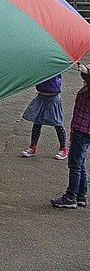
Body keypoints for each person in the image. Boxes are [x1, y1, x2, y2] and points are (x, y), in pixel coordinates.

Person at [50, 64, 90, 208]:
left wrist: (87, 71)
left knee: (75, 165)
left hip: (83, 130)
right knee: (80, 163)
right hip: (83, 130)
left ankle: (70, 196)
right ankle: (81, 195)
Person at [20, 74, 67, 159]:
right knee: (37, 123)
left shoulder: (56, 67)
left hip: (53, 97)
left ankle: (63, 149)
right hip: (41, 96)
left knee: (57, 124)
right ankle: (32, 147)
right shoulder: (41, 68)